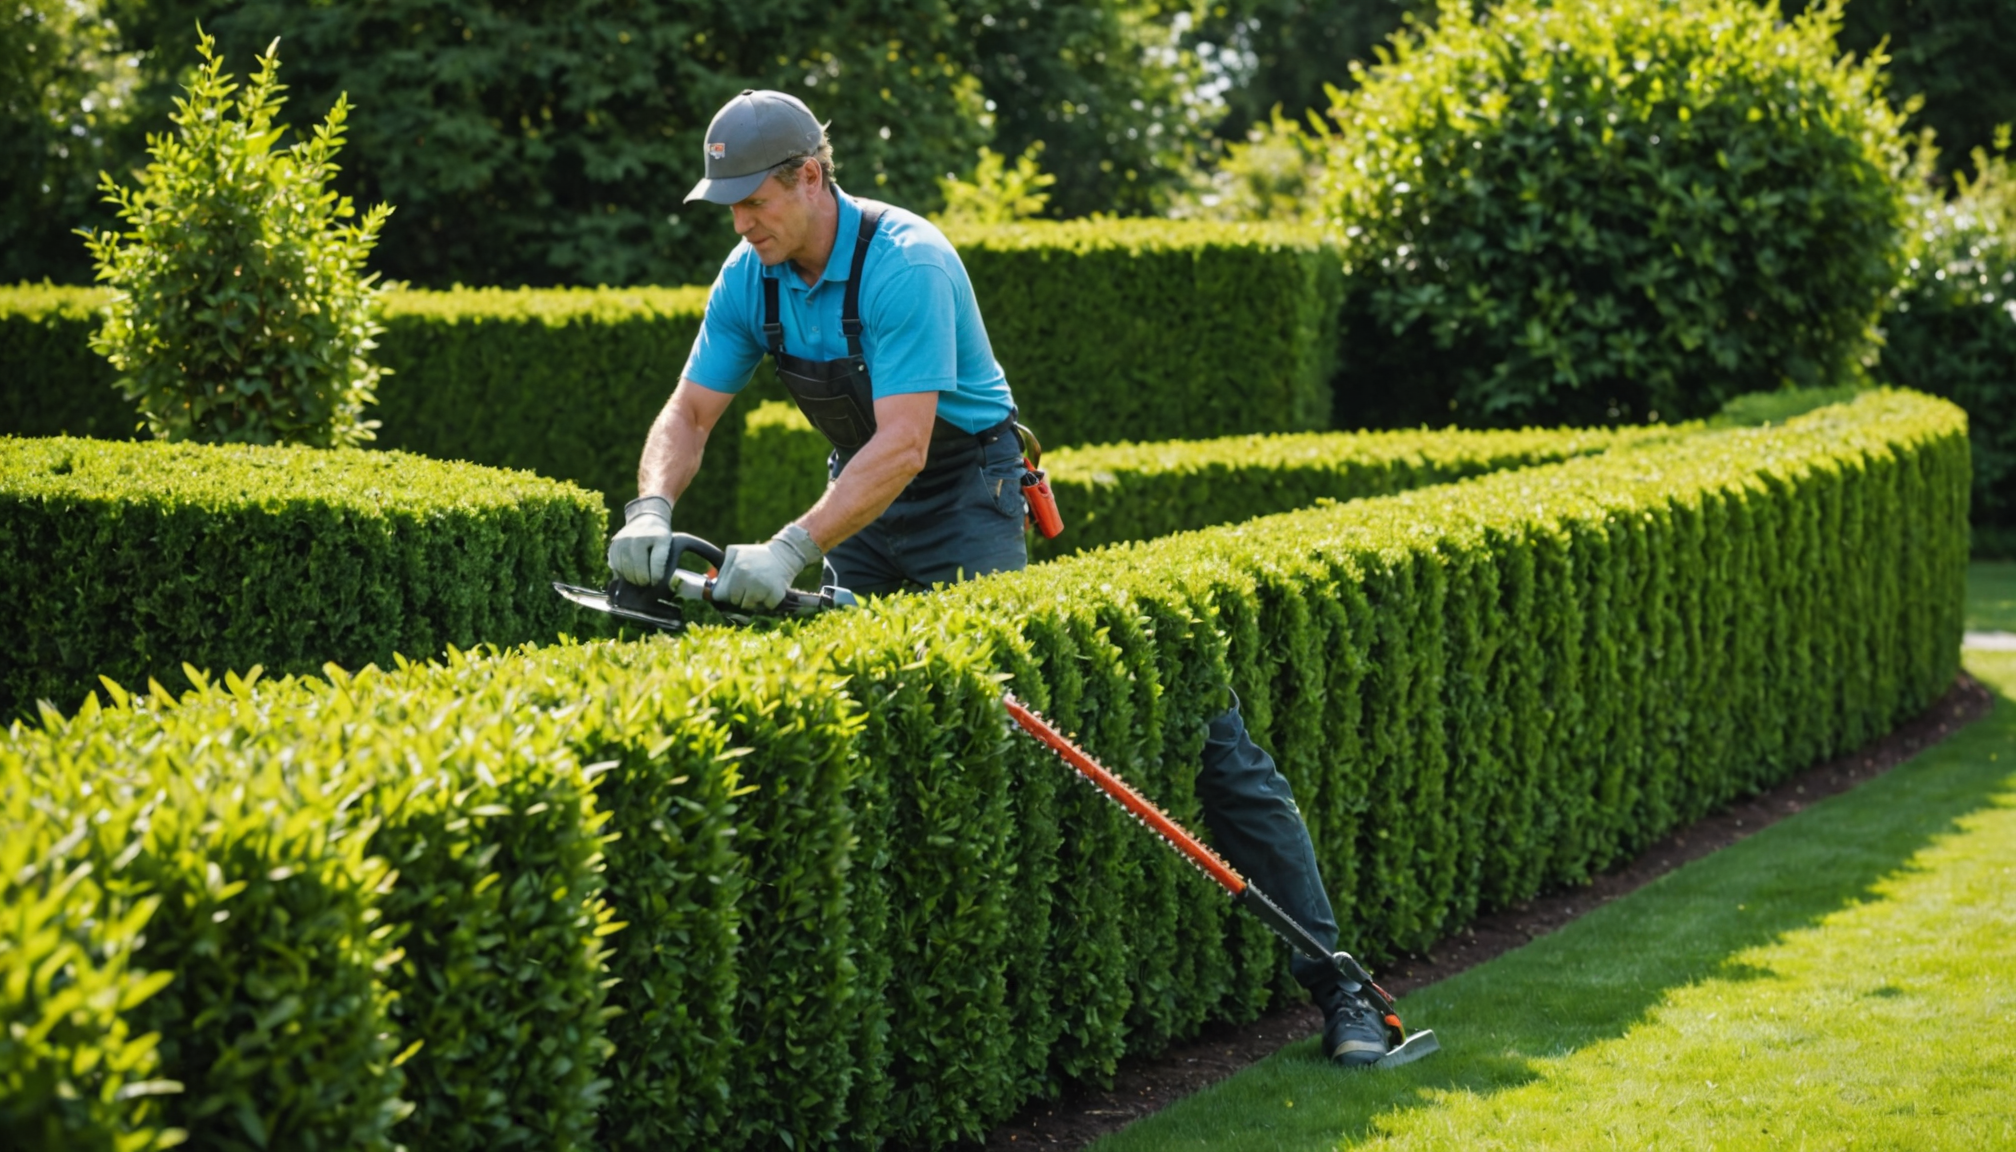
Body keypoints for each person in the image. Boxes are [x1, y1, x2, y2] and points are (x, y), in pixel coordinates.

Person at [606, 89, 1393, 1067]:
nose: (740, 219)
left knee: (1028, 727)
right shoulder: (751, 276)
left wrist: (792, 550)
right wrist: (651, 509)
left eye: (753, 198)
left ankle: (1340, 984)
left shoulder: (906, 262)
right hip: (855, 502)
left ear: (811, 175)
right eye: (727, 203)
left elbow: (903, 446)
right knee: (854, 724)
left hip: (964, 495)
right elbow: (687, 413)